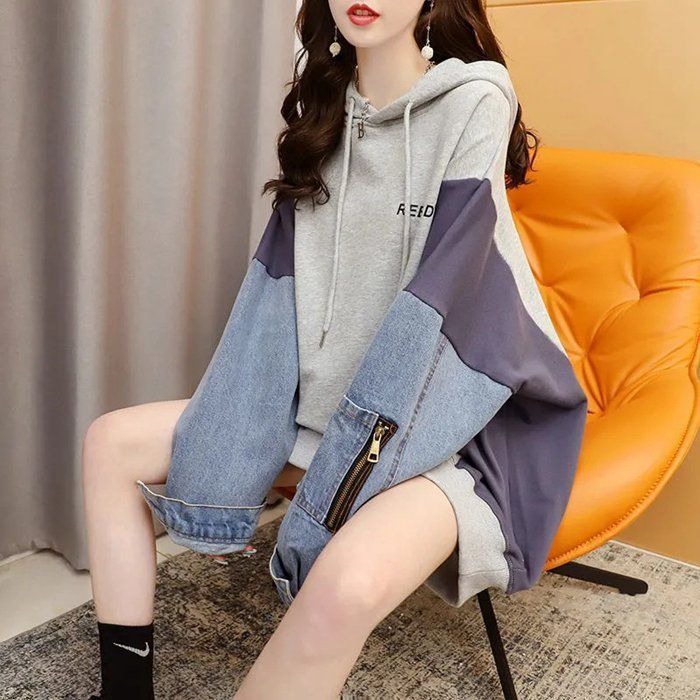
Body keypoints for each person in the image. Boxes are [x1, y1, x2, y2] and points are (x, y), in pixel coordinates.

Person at [83, 1, 588, 698]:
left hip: (455, 426)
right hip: (329, 409)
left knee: (343, 582)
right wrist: (245, 444)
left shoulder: (474, 100)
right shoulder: (323, 115)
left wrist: (339, 477)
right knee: (109, 443)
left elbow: (439, 318)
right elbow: (273, 303)